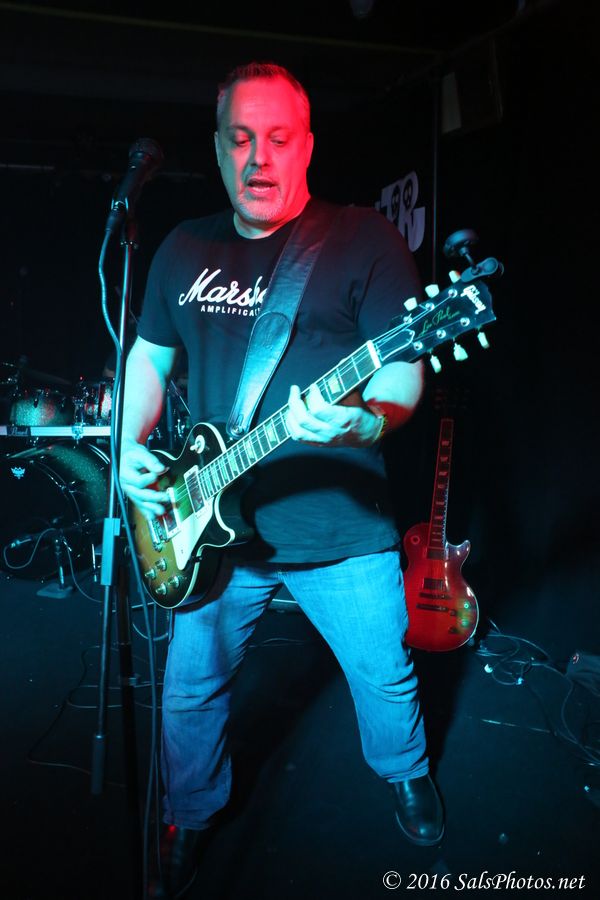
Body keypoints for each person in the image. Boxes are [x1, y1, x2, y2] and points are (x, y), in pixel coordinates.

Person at [120, 61, 444, 898]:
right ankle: (190, 813)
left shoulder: (362, 238)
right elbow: (149, 361)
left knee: (383, 672)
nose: (258, 157)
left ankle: (405, 771)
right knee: (190, 690)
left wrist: (365, 421)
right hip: (209, 526)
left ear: (307, 145)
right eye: (240, 139)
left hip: (340, 525)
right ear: (218, 149)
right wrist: (128, 447)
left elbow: (402, 373)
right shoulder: (183, 246)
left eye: (278, 138)